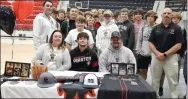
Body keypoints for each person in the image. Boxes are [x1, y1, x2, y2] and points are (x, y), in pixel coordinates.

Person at [149, 8, 183, 98]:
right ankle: (155, 96)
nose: (166, 14)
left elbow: (178, 45)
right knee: (155, 80)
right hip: (157, 57)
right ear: (161, 15)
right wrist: (157, 53)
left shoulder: (177, 28)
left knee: (173, 80)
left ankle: (174, 97)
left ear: (171, 15)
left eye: (169, 13)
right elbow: (150, 43)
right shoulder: (156, 28)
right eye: (165, 13)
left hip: (171, 58)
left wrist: (165, 54)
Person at [158, 11, 187, 96]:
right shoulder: (164, 27)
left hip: (176, 55)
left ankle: (175, 90)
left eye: (177, 18)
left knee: (175, 74)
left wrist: (180, 54)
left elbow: (184, 43)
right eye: (174, 18)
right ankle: (160, 87)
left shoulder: (182, 29)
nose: (175, 20)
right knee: (161, 72)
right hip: (164, 53)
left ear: (179, 20)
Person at [136, 10, 158, 80]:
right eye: (148, 16)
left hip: (155, 54)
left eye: (152, 16)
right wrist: (139, 51)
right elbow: (139, 40)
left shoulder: (158, 27)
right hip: (143, 54)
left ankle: (155, 89)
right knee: (142, 72)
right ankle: (143, 88)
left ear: (155, 18)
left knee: (155, 73)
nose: (150, 18)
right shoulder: (143, 28)